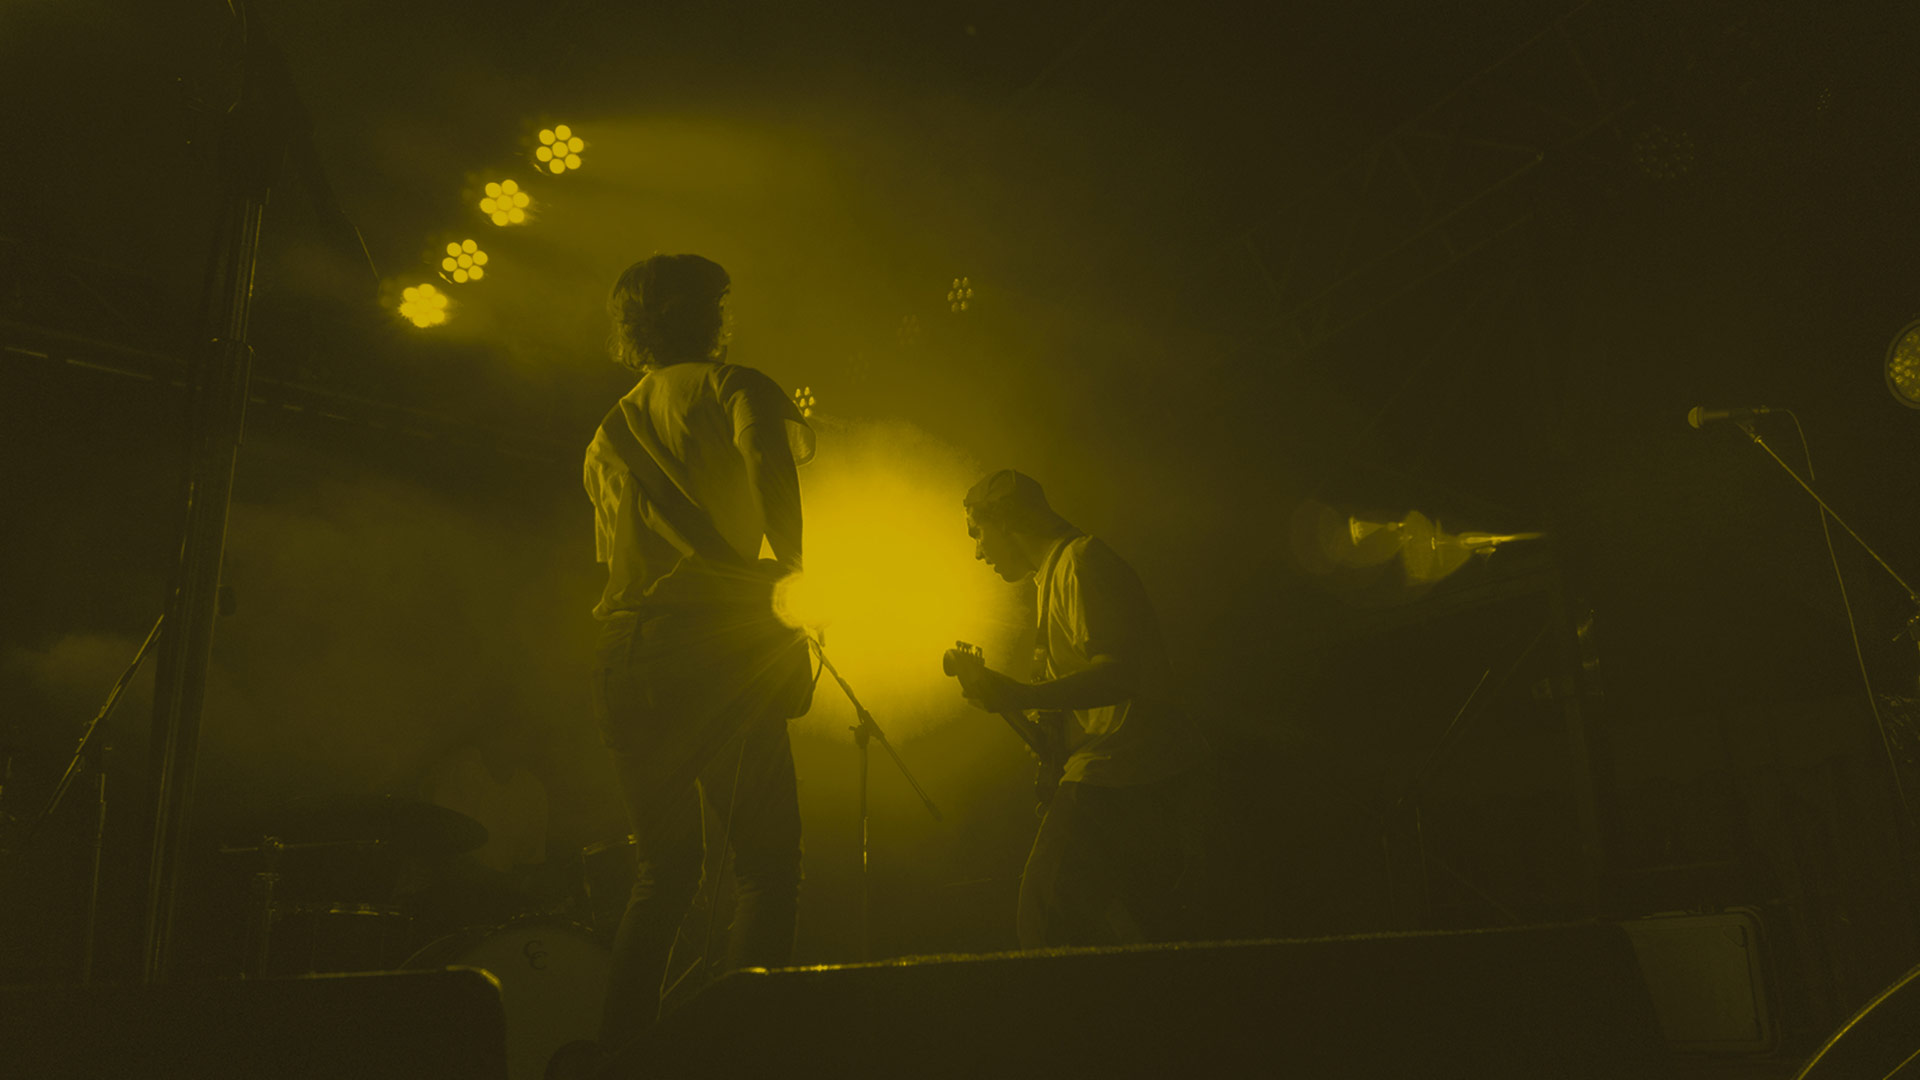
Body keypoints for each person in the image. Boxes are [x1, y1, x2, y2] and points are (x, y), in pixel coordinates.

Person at [582, 254, 814, 1042]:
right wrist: (787, 568)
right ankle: (745, 1052)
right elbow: (767, 463)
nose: (729, 318)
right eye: (723, 303)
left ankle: (616, 1055)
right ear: (706, 314)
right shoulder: (734, 385)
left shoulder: (605, 434)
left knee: (665, 872)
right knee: (764, 865)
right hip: (713, 643)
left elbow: (617, 556)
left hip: (628, 653)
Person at [947, 469, 1213, 948]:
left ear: (1006, 521)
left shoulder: (1081, 563)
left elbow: (1118, 676)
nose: (978, 551)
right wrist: (1010, 706)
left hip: (1127, 768)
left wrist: (1021, 695)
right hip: (1128, 771)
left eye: (978, 532)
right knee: (1130, 923)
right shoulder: (1053, 576)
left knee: (1046, 914)